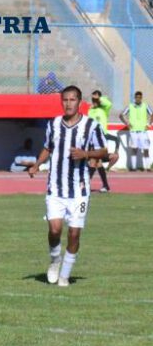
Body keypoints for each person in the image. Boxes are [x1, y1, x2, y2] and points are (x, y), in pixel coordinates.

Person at [28, 86, 107, 287]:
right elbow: (48, 147)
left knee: (74, 233)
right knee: (54, 229)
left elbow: (104, 152)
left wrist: (86, 154)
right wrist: (37, 164)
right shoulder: (53, 124)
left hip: (79, 190)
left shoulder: (91, 126)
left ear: (79, 102)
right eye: (65, 100)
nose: (68, 103)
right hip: (55, 187)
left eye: (72, 100)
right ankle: (55, 260)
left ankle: (64, 274)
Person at [87, 89, 117, 191]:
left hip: (101, 138)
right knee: (97, 162)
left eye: (96, 99)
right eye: (93, 99)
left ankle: (85, 184)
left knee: (93, 161)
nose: (94, 101)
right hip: (92, 139)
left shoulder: (104, 109)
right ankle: (105, 185)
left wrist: (99, 98)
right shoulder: (90, 110)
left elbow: (109, 104)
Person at [119, 90, 152, 172]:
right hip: (133, 131)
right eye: (136, 97)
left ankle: (147, 167)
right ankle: (133, 168)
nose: (138, 99)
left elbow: (152, 114)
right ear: (134, 98)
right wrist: (127, 123)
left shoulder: (145, 106)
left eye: (139, 98)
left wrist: (149, 124)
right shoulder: (130, 106)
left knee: (145, 149)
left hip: (143, 131)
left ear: (141, 98)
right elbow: (121, 115)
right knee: (134, 149)